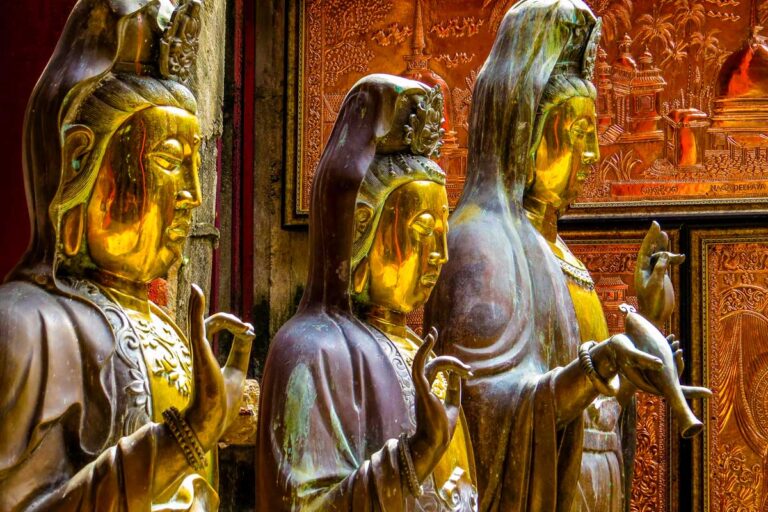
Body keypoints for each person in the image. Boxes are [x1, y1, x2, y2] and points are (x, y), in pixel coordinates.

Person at [425, 1, 689, 511]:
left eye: (593, 134)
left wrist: (644, 337)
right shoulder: (481, 244)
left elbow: (595, 410)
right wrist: (597, 366)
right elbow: (480, 411)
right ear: (525, 132)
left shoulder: (560, 253)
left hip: (594, 486)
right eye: (577, 133)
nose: (593, 154)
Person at [0, 1, 253, 509]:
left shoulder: (170, 332)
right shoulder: (27, 325)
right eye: (168, 161)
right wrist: (185, 438)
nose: (193, 195)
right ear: (79, 158)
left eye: (195, 167)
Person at [256, 74, 477, 511]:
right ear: (361, 227)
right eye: (422, 231)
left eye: (443, 233)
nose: (441, 255)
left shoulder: (420, 353)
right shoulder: (312, 352)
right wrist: (413, 458)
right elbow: (302, 505)